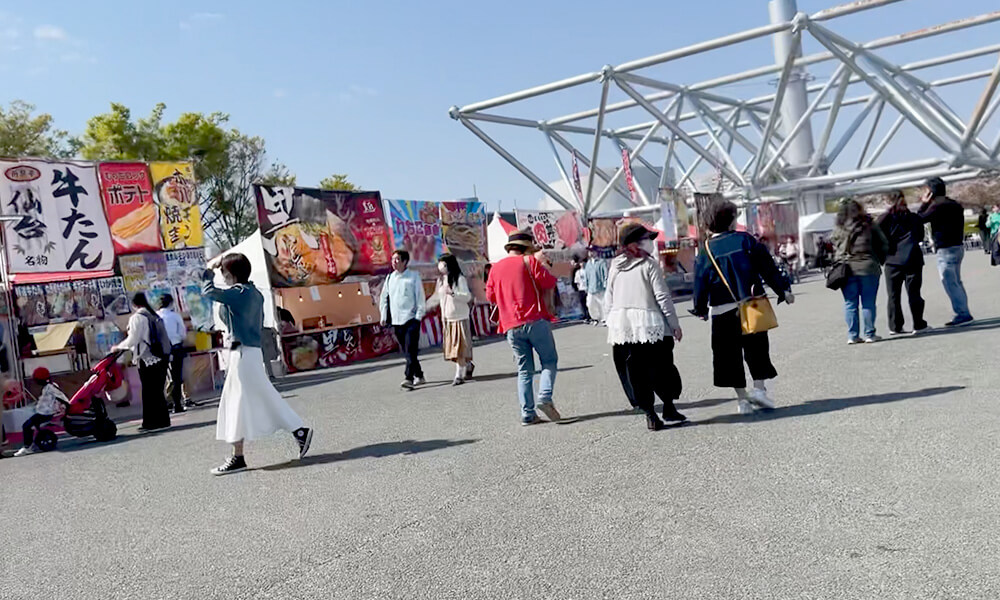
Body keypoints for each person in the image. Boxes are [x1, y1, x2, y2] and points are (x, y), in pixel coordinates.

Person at [202, 253, 313, 475]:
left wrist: (208, 271)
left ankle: (240, 455)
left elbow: (209, 292)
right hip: (246, 353)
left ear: (232, 273)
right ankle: (242, 453)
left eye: (224, 273)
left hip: (242, 354)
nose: (222, 277)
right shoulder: (252, 292)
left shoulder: (239, 293)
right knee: (249, 400)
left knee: (239, 402)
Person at [692, 200, 794, 415]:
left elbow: (700, 281)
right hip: (752, 304)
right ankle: (759, 390)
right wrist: (783, 290)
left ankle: (742, 400)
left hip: (721, 311)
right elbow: (768, 267)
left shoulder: (706, 250)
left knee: (729, 356)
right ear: (731, 220)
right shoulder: (746, 240)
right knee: (757, 350)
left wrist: (700, 308)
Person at [486, 230, 573, 426]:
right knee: (549, 361)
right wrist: (542, 264)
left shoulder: (495, 268)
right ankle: (544, 396)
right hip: (534, 320)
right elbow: (549, 282)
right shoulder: (529, 262)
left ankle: (527, 413)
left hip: (510, 325)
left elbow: (490, 297)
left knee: (524, 370)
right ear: (526, 248)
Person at [604, 223, 685, 431]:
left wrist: (609, 321)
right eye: (646, 239)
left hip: (624, 327)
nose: (650, 243)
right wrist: (674, 324)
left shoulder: (615, 265)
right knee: (663, 368)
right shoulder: (649, 264)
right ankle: (669, 406)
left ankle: (650, 414)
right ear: (635, 244)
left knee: (636, 372)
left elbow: (609, 297)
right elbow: (662, 297)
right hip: (650, 325)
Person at [918, 177, 973, 327]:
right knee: (956, 282)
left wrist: (924, 203)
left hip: (946, 248)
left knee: (950, 283)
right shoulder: (954, 204)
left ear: (931, 192)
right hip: (957, 246)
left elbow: (919, 219)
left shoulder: (937, 206)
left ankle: (962, 313)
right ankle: (964, 311)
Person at [112, 293, 171, 432]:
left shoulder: (137, 318)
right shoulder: (154, 315)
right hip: (161, 357)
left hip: (147, 358)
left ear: (133, 305)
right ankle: (163, 420)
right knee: (158, 391)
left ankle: (150, 423)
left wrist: (118, 347)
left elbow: (133, 339)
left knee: (149, 392)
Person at [832, 199, 888, 344]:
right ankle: (870, 333)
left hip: (847, 269)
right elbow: (883, 243)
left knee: (850, 303)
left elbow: (835, 246)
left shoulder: (839, 227)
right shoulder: (868, 224)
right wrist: (880, 259)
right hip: (868, 266)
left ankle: (852, 335)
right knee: (868, 302)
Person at [876, 190, 929, 336]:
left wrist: (883, 253)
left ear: (888, 201)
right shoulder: (913, 217)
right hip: (913, 257)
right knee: (914, 292)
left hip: (892, 260)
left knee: (893, 295)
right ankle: (918, 324)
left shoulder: (884, 218)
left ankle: (895, 325)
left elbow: (875, 236)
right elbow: (920, 236)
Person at [379, 249, 427, 390]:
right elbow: (384, 299)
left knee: (410, 349)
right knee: (407, 351)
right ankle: (419, 374)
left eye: (397, 259)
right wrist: (383, 316)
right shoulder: (389, 278)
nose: (394, 262)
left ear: (405, 262)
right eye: (393, 259)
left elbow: (420, 297)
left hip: (411, 319)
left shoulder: (413, 277)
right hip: (396, 320)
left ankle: (408, 378)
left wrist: (418, 316)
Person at [426, 253, 476, 386]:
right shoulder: (441, 280)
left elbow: (467, 297)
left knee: (460, 348)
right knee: (454, 349)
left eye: (442, 262)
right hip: (448, 318)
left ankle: (458, 375)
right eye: (439, 263)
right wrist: (424, 307)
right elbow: (437, 297)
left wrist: (453, 293)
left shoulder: (459, 279)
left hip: (460, 317)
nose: (440, 265)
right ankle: (468, 364)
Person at [13, 367, 67, 456]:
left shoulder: (51, 387)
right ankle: (33, 443)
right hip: (43, 412)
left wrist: (65, 407)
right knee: (30, 423)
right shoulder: (47, 387)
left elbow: (62, 397)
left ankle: (28, 447)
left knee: (27, 426)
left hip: (46, 413)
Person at [157, 294, 188, 413]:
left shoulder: (155, 316)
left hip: (160, 350)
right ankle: (177, 404)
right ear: (171, 303)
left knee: (162, 378)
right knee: (176, 377)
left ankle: (164, 404)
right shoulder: (175, 316)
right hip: (175, 347)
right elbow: (182, 333)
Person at [584, 250, 609, 326]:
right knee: (590, 303)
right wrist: (586, 286)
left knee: (602, 304)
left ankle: (604, 319)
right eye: (589, 251)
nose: (591, 253)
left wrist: (605, 284)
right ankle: (595, 318)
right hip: (591, 288)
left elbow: (605, 274)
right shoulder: (588, 263)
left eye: (592, 251)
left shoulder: (601, 262)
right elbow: (586, 276)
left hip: (600, 287)